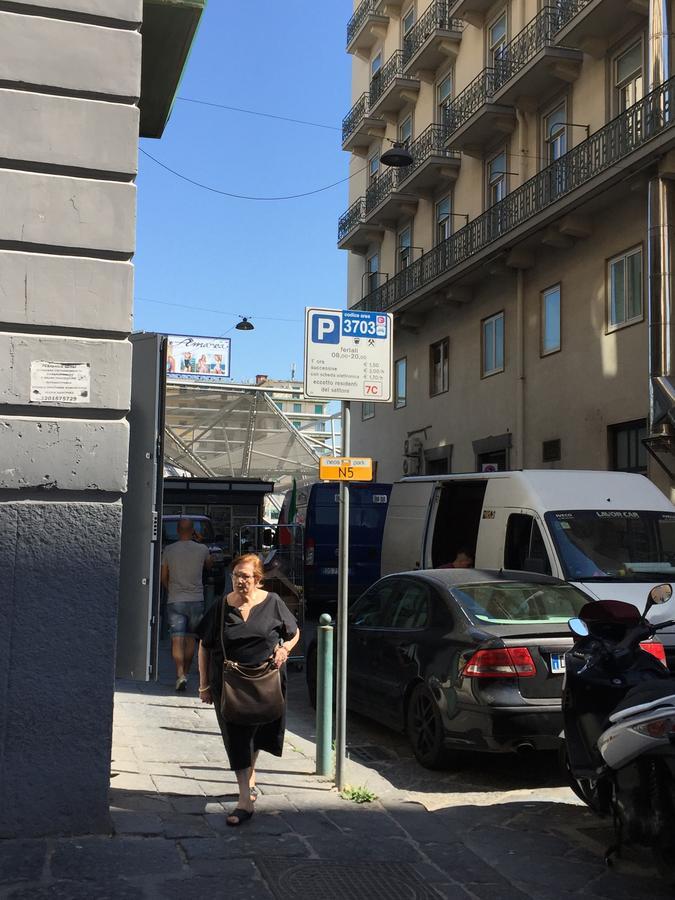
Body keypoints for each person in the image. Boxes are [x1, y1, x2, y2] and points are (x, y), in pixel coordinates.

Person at [196, 553, 300, 827]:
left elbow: (294, 632)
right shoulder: (221, 606)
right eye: (235, 576)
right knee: (237, 737)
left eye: (245, 576)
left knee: (258, 734)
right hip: (230, 684)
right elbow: (204, 646)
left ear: (257, 579)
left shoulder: (273, 603)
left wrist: (284, 649)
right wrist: (204, 684)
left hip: (266, 681)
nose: (239, 581)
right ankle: (245, 800)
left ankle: (248, 777)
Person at [161, 518, 212, 691]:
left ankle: (180, 673)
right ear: (193, 531)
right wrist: (201, 541)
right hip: (196, 599)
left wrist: (172, 589)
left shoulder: (169, 550)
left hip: (175, 599)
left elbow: (163, 576)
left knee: (176, 639)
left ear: (177, 530)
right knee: (191, 639)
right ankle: (187, 674)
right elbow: (210, 565)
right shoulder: (202, 549)